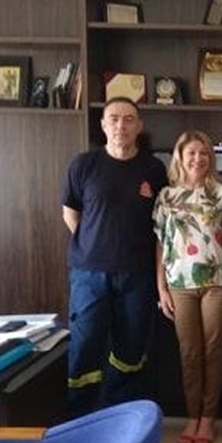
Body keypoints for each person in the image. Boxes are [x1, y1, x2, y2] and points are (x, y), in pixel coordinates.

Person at [61, 97, 167, 416]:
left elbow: (162, 222)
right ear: (104, 125)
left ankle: (120, 415)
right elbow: (70, 213)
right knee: (85, 343)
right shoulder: (83, 165)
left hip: (137, 275)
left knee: (131, 348)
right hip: (89, 275)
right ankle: (80, 416)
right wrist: (96, 244)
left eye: (129, 119)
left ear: (139, 126)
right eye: (114, 119)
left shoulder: (154, 168)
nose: (121, 125)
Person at [154, 130, 222, 443]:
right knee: (189, 353)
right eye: (191, 153)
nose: (198, 158)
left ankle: (208, 417)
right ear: (180, 157)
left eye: (204, 153)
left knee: (213, 350)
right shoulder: (167, 196)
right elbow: (160, 244)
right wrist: (161, 288)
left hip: (218, 283)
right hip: (179, 285)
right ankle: (192, 415)